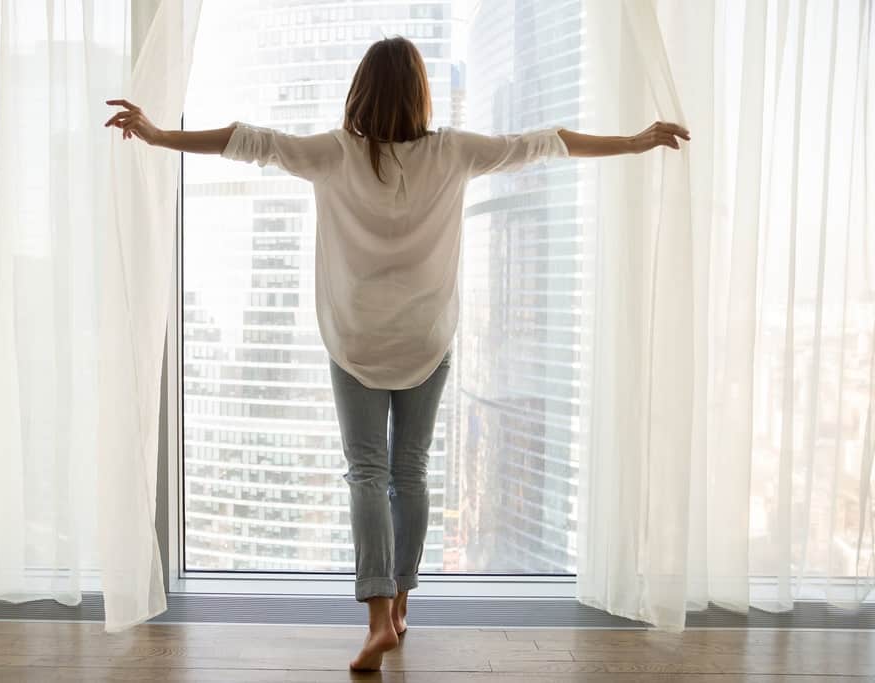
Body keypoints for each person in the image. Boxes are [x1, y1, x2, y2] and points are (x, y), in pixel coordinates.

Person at [105, 35, 689, 673]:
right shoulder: (455, 152)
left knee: (366, 473)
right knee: (409, 471)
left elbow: (251, 141)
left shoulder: (333, 153)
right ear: (420, 93)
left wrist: (160, 137)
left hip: (355, 339)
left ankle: (379, 617)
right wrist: (633, 142)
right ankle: (403, 604)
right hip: (427, 336)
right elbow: (548, 142)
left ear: (360, 91)